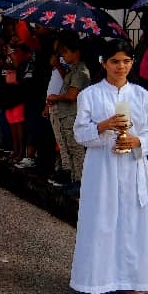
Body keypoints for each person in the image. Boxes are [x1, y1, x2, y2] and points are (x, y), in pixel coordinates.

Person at [70, 39, 148, 294]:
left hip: (133, 167)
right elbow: (80, 133)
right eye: (115, 61)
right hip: (103, 167)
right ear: (104, 63)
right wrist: (103, 126)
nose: (121, 66)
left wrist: (137, 141)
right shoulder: (90, 95)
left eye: (126, 61)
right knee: (102, 221)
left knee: (133, 223)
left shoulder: (142, 96)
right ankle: (96, 283)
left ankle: (132, 283)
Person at [47, 34, 90, 189]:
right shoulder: (73, 70)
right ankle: (74, 179)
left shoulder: (81, 71)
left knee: (76, 150)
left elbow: (72, 95)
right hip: (66, 116)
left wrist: (56, 97)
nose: (64, 55)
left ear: (76, 52)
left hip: (73, 116)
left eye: (66, 52)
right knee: (70, 148)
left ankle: (81, 183)